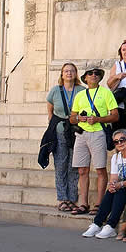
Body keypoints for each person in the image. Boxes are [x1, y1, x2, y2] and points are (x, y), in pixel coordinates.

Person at [69, 66, 119, 215]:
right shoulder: (80, 95)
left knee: (100, 169)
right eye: (90, 74)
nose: (93, 76)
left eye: (97, 73)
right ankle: (83, 203)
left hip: (98, 132)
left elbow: (115, 115)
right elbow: (72, 118)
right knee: (82, 170)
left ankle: (99, 203)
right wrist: (79, 118)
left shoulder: (106, 93)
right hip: (82, 133)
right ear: (85, 78)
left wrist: (98, 119)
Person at [81, 130, 126, 240]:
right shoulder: (116, 157)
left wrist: (120, 184)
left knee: (120, 190)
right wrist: (113, 184)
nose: (119, 143)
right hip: (122, 185)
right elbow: (114, 177)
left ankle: (111, 225)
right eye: (116, 142)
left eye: (122, 140)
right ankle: (97, 223)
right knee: (111, 190)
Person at [46, 62, 80, 210]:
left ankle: (72, 198)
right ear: (62, 74)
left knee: (74, 165)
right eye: (66, 71)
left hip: (76, 131)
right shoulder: (55, 90)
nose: (69, 73)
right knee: (60, 164)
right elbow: (50, 107)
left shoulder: (81, 90)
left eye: (72, 71)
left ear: (76, 73)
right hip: (59, 130)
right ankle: (62, 198)